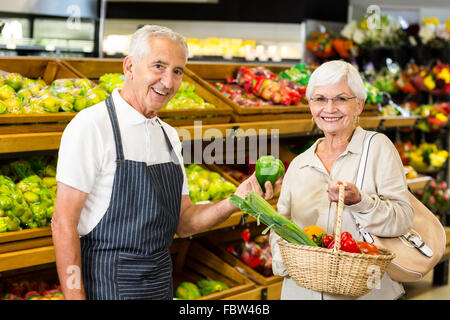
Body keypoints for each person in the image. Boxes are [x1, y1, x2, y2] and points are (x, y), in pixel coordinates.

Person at [52, 25, 280, 300]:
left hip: (159, 286)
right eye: (158, 66)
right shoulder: (92, 126)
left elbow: (184, 222)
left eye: (177, 71)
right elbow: (63, 223)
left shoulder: (168, 135)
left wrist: (236, 199)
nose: (168, 82)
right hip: (106, 286)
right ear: (130, 66)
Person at [269, 60, 414, 300]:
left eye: (340, 98)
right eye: (320, 99)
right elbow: (280, 226)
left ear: (359, 105)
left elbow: (403, 220)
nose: (329, 108)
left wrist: (360, 202)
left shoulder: (378, 148)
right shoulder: (299, 164)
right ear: (310, 105)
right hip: (303, 293)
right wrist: (288, 265)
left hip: (366, 292)